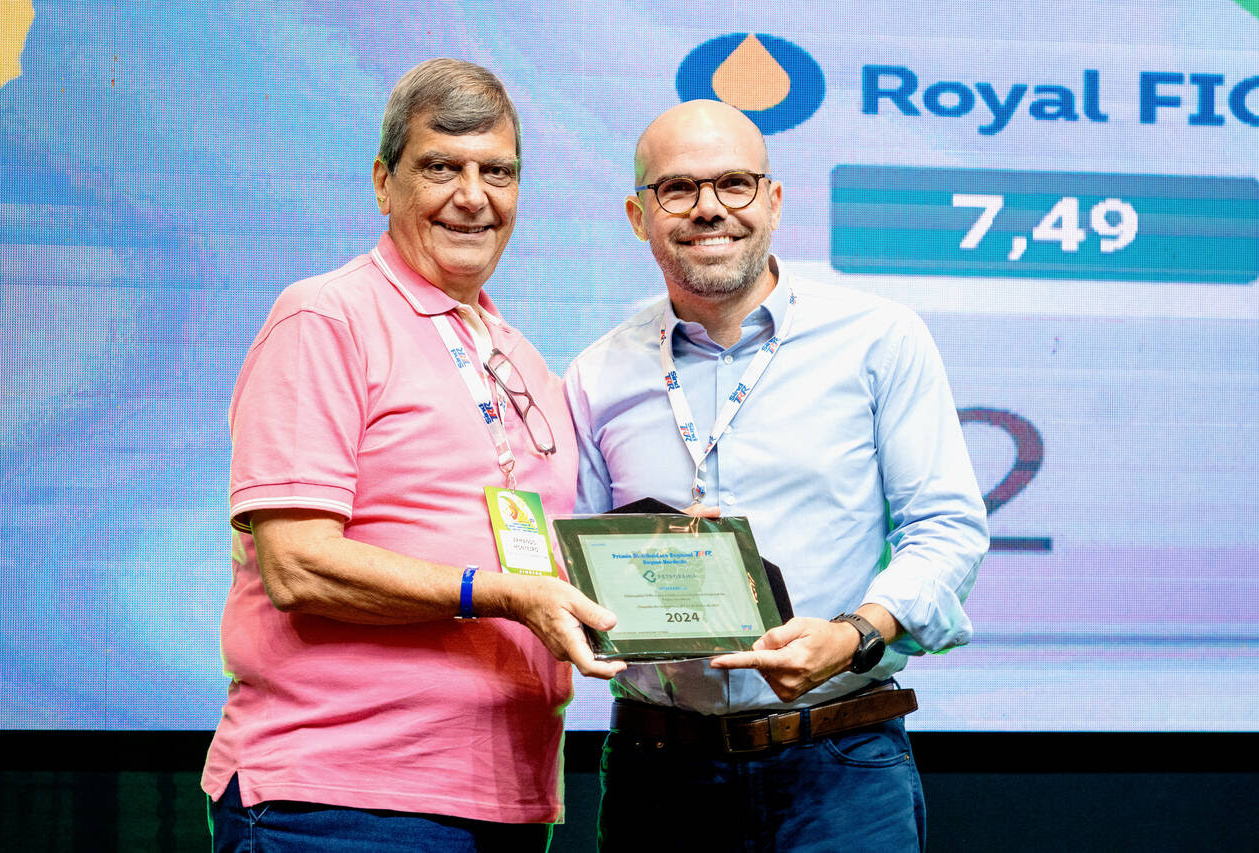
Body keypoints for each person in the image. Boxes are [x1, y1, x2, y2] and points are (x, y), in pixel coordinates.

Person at [201, 58, 623, 853]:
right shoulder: (326, 317)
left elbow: (548, 564)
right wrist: (495, 594)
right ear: (382, 182)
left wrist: (674, 553)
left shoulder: (523, 360)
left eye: (497, 171)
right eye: (441, 167)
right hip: (336, 802)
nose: (473, 196)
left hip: (504, 802)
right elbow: (297, 564)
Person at [565, 99, 989, 852]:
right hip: (659, 772)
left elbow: (948, 528)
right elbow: (571, 566)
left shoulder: (879, 339)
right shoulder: (596, 374)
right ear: (638, 215)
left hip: (840, 767)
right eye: (677, 189)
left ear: (774, 200)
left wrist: (855, 633)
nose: (709, 208)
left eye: (734, 183)